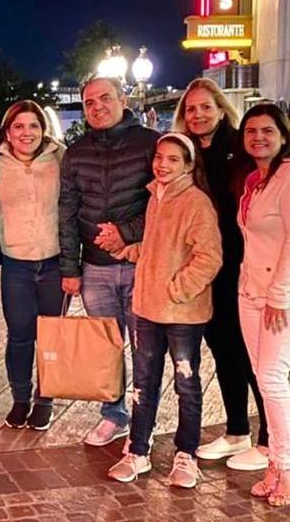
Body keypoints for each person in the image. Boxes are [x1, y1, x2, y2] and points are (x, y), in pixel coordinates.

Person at [107, 133, 222, 488]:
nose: (163, 164)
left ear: (188, 165)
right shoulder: (157, 196)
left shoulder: (196, 202)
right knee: (143, 383)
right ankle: (138, 450)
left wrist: (177, 290)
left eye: (173, 159)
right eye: (160, 157)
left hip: (182, 314)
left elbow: (209, 258)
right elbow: (162, 248)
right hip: (147, 308)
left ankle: (185, 454)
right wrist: (132, 253)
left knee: (186, 383)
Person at [173, 78, 268, 471]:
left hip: (242, 265)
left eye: (205, 107)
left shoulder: (240, 148)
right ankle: (236, 430)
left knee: (252, 352)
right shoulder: (189, 153)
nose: (197, 115)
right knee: (223, 350)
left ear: (220, 108)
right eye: (190, 109)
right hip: (207, 267)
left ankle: (271, 439)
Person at [59, 76, 159, 446]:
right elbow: (67, 212)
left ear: (123, 98)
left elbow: (165, 204)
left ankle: (143, 419)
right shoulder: (77, 151)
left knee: (145, 347)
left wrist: (126, 232)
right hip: (95, 268)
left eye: (104, 98)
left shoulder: (150, 144)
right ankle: (113, 414)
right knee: (106, 348)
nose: (97, 107)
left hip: (140, 263)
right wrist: (70, 268)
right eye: (88, 102)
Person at [0, 100, 65, 431]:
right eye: (18, 126)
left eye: (33, 125)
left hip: (54, 261)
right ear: (8, 131)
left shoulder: (60, 159)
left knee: (50, 337)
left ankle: (45, 399)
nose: (26, 132)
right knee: (20, 335)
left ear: (43, 129)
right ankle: (20, 398)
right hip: (16, 263)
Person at [234, 104, 290, 506]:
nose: (259, 138)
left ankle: (286, 466)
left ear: (283, 135)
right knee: (263, 376)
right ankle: (275, 462)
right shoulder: (254, 179)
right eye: (251, 131)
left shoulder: (287, 178)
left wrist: (279, 295)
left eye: (267, 131)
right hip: (249, 291)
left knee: (272, 380)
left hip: (277, 297)